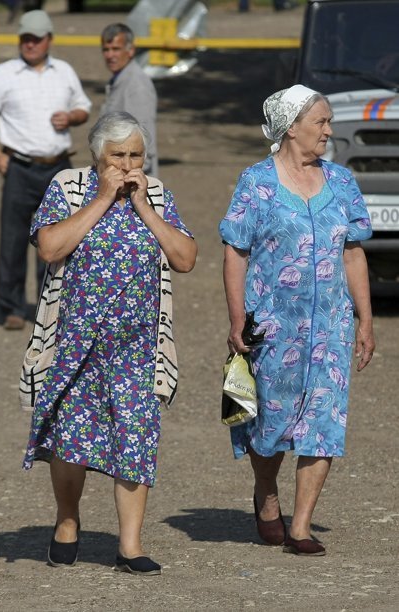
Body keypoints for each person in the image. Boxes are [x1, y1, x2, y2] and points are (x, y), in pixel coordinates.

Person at [22, 112, 197, 574]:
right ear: (97, 156)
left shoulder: (155, 193)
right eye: (118, 155)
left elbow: (185, 258)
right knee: (70, 439)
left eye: (136, 155)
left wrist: (144, 208)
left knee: (136, 437)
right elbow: (50, 247)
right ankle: (67, 521)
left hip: (137, 348)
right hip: (75, 342)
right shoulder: (69, 187)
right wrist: (103, 199)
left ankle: (130, 546)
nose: (127, 164)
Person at [219, 84, 374, 556]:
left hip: (330, 327)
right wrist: (237, 319)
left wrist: (365, 319)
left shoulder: (342, 181)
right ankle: (267, 495)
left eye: (328, 122)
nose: (328, 130)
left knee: (324, 423)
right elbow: (235, 252)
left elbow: (352, 253)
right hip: (272, 327)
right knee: (268, 424)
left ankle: (301, 526)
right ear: (290, 128)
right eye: (320, 122)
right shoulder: (256, 182)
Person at [0, 10, 91, 330]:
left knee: (58, 238)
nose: (30, 44)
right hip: (19, 167)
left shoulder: (64, 72)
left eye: (36, 39)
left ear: (49, 39)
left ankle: (49, 304)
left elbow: (83, 107)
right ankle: (12, 307)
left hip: (58, 168)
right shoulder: (1, 75)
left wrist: (72, 117)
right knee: (13, 238)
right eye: (25, 38)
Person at [100, 23, 158, 177]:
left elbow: (145, 141)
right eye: (106, 49)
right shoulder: (120, 80)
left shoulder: (137, 86)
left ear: (130, 50)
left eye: (116, 49)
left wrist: (130, 182)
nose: (110, 55)